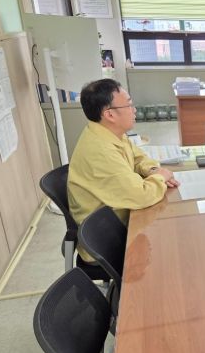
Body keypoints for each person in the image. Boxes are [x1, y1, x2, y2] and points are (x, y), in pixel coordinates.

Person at [68, 78, 179, 260]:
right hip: (107, 242)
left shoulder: (109, 133)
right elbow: (141, 195)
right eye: (129, 105)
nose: (134, 110)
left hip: (121, 219)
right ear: (110, 114)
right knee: (172, 247)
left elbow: (138, 157)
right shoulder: (100, 151)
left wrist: (152, 170)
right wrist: (161, 177)